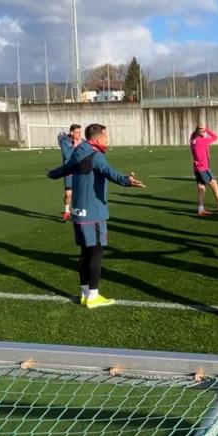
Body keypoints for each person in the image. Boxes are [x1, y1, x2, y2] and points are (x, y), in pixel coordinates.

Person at [48, 123, 145, 308]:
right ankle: (93, 295)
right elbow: (111, 173)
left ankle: (85, 293)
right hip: (93, 213)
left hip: (78, 211)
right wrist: (127, 181)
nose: (107, 140)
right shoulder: (96, 155)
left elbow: (65, 168)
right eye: (106, 137)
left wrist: (52, 174)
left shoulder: (78, 151)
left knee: (85, 253)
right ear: (98, 138)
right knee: (96, 253)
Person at [190, 124, 218, 216]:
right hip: (203, 169)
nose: (204, 132)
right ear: (199, 132)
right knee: (215, 186)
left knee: (201, 188)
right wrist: (206, 129)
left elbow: (193, 134)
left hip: (196, 169)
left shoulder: (193, 140)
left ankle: (200, 209)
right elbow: (215, 137)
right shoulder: (202, 141)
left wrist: (199, 130)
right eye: (202, 131)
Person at [58, 124, 82, 221]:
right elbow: (67, 155)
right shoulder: (65, 141)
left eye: (80, 132)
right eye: (77, 132)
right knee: (68, 194)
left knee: (79, 193)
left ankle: (78, 212)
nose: (79, 134)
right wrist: (75, 146)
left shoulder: (82, 141)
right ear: (71, 132)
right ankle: (67, 211)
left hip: (80, 171)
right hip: (69, 171)